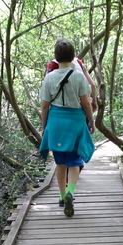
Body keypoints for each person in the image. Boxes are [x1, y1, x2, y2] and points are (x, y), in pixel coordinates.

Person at [39, 39, 95, 217]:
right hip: (75, 121)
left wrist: (44, 127)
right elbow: (86, 102)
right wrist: (91, 121)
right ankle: (70, 191)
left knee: (60, 162)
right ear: (73, 57)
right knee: (74, 161)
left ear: (56, 57)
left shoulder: (49, 78)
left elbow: (44, 106)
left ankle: (62, 197)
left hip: (56, 122)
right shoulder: (78, 76)